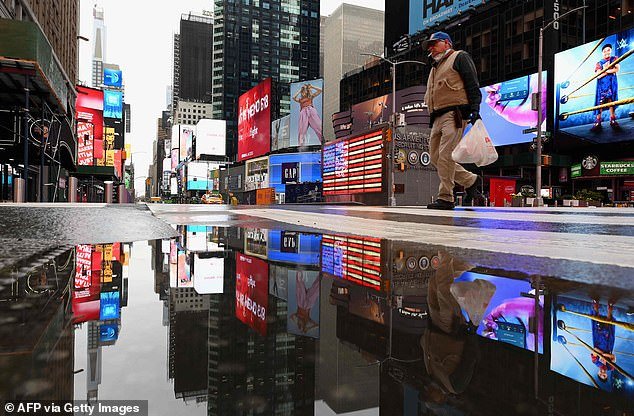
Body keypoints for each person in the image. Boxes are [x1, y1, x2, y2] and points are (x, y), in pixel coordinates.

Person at [423, 32, 483, 210]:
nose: (431, 48)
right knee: (435, 157)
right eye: (429, 45)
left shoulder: (460, 57)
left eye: (434, 43)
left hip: (454, 114)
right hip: (437, 117)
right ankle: (470, 180)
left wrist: (475, 109)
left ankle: (446, 198)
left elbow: (472, 83)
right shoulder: (434, 67)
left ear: (447, 43)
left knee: (445, 156)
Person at [591, 44, 620, 132]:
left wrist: (605, 70)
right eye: (605, 51)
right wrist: (608, 70)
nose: (607, 52)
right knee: (601, 101)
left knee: (611, 101)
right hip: (602, 84)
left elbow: (617, 69)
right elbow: (598, 76)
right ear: (602, 52)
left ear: (611, 50)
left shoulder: (614, 58)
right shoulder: (599, 62)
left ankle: (612, 119)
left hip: (611, 83)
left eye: (608, 50)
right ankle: (598, 121)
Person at [590, 299, 617, 382]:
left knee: (597, 323)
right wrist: (604, 355)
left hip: (598, 341)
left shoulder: (595, 362)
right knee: (608, 325)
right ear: (606, 375)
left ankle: (596, 305)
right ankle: (610, 307)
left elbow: (594, 350)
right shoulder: (610, 367)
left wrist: (602, 356)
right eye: (604, 375)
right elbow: (613, 357)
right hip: (608, 344)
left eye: (601, 375)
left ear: (598, 373)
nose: (602, 373)